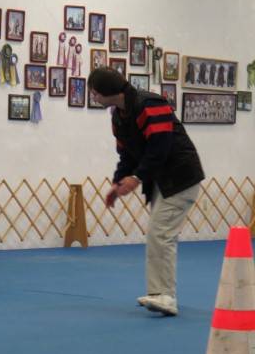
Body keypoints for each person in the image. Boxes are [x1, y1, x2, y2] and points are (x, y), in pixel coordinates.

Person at [87, 67, 205, 316]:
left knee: (159, 234)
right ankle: (158, 293)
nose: (94, 97)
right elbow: (126, 154)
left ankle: (166, 296)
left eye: (96, 93)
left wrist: (137, 178)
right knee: (159, 234)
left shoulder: (150, 104)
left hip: (181, 177)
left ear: (109, 91)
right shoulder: (118, 116)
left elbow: (161, 146)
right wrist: (119, 182)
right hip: (161, 180)